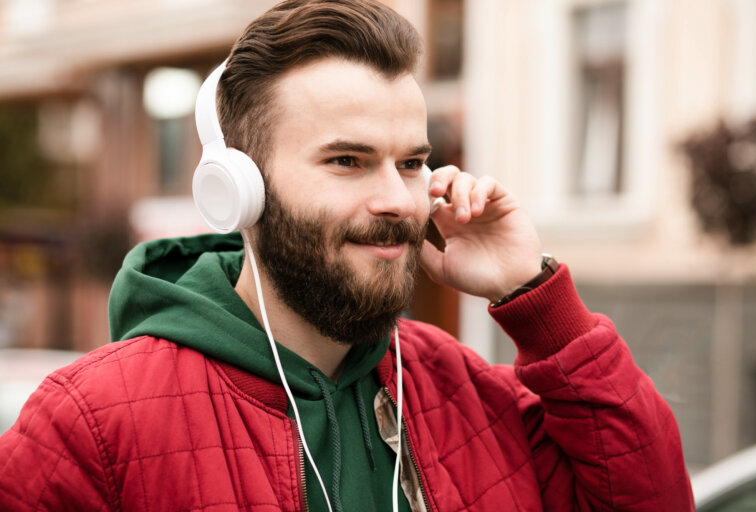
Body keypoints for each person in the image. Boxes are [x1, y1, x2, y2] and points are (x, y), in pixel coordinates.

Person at [0, 0, 694, 510]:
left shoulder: (468, 391)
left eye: (413, 162)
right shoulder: (90, 422)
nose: (397, 198)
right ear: (238, 189)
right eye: (347, 160)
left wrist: (538, 305)